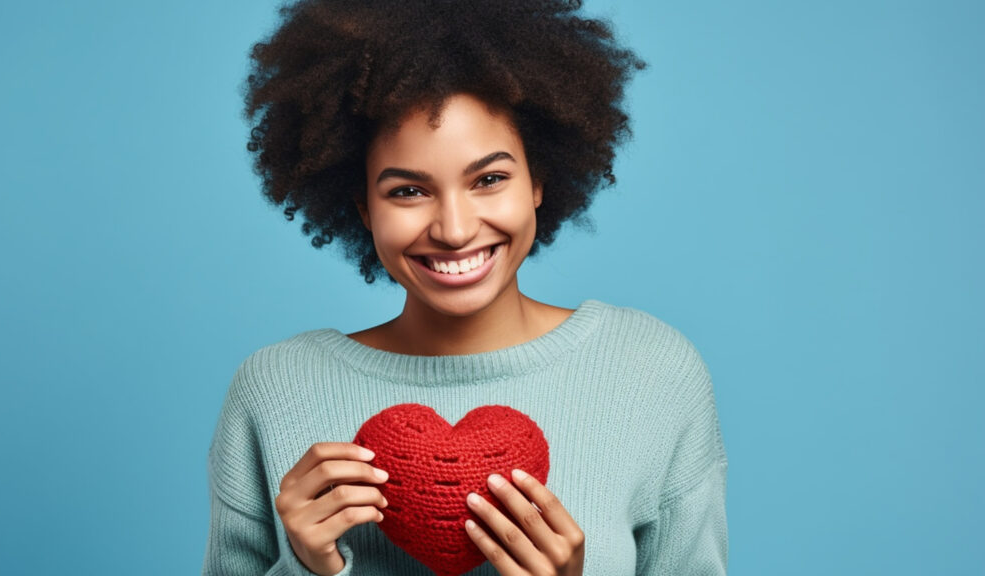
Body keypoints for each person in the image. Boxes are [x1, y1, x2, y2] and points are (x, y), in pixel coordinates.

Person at [203, 0, 728, 574]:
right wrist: (306, 567)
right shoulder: (275, 389)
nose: (454, 230)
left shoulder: (652, 371)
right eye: (408, 191)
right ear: (363, 207)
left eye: (490, 179)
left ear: (538, 182)